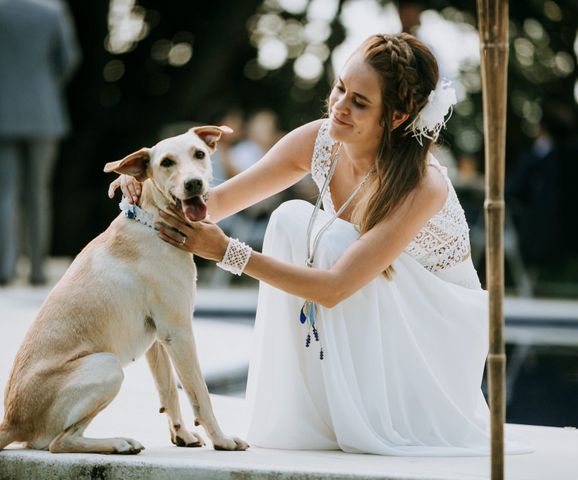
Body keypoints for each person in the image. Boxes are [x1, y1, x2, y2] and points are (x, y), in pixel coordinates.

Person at [111, 33, 528, 455]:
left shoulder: (421, 184)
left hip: (434, 328)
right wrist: (148, 184)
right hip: (377, 298)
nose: (339, 106)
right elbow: (214, 204)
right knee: (292, 221)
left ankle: (360, 410)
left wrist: (228, 253)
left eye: (360, 103)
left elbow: (335, 287)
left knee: (318, 236)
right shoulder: (319, 140)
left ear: (397, 117)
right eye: (340, 88)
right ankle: (311, 405)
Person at [0, 0, 80, 286]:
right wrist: (43, 86)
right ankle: (36, 269)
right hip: (43, 110)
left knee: (4, 193)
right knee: (38, 192)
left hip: (3, 110)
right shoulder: (52, 11)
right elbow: (68, 58)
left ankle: (5, 268)